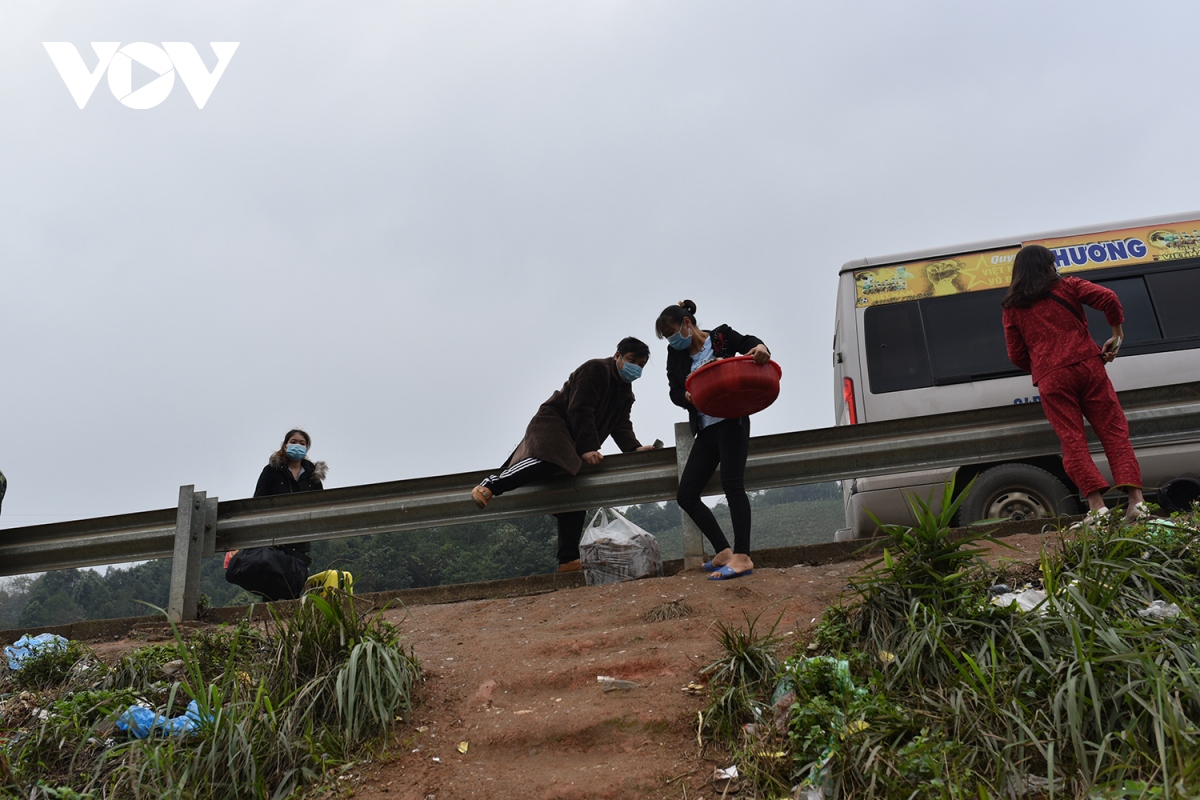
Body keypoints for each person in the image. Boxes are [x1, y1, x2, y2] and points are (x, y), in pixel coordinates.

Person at [471, 338, 657, 572]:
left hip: (576, 437)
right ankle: (490, 484)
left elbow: (621, 425)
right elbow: (580, 408)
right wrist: (588, 447)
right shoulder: (595, 370)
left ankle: (568, 559)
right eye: (632, 361)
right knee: (549, 461)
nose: (636, 369)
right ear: (617, 355)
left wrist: (634, 448)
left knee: (576, 491)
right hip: (555, 423)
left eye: (641, 365)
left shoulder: (625, 393)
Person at [1001, 244, 1146, 524]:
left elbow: (1015, 354)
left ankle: (1097, 508)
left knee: (1073, 441)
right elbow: (1109, 298)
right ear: (1048, 266)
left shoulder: (1012, 308)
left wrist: (1045, 366)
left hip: (1052, 377)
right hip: (1090, 366)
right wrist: (1116, 336)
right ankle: (1137, 503)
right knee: (1114, 432)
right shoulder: (1069, 286)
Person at [655, 300, 770, 580]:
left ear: (687, 323)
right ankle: (724, 551)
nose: (671, 340)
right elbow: (673, 390)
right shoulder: (676, 355)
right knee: (687, 495)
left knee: (733, 485)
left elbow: (750, 343)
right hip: (706, 429)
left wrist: (762, 348)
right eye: (666, 338)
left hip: (732, 422)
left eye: (672, 332)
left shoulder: (721, 337)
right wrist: (686, 396)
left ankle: (743, 557)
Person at [225, 429, 329, 600]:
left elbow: (320, 505)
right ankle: (267, 620)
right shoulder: (271, 471)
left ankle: (293, 622)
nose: (298, 446)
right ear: (285, 445)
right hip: (273, 536)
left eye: (302, 443)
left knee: (293, 581)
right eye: (293, 442)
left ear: (307, 448)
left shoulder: (313, 477)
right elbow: (258, 501)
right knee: (270, 578)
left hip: (300, 538)